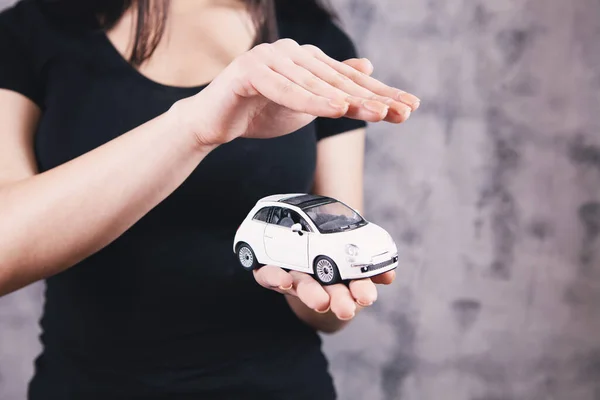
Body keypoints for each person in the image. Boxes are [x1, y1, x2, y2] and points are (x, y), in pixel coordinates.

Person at [0, 0, 420, 398]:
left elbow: (330, 312)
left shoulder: (311, 43)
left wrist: (324, 281)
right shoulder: (32, 30)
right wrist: (194, 129)